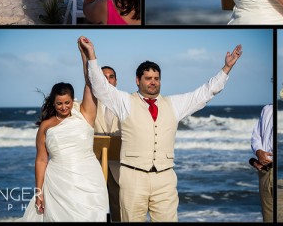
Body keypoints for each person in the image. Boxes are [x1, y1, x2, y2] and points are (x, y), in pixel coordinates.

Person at [80, 36, 242, 221]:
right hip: (133, 177)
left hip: (165, 178)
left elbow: (204, 93)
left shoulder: (174, 104)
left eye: (156, 78)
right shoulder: (125, 101)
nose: (153, 82)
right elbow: (100, 87)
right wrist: (91, 55)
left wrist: (227, 68)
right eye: (148, 78)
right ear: (137, 80)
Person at [21, 41, 108, 221]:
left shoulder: (84, 115)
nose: (64, 107)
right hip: (58, 183)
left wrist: (87, 55)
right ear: (53, 103)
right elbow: (41, 160)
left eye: (67, 103)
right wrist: (39, 192)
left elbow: (90, 83)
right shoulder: (46, 125)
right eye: (59, 103)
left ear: (72, 100)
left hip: (90, 178)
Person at [93, 65, 122, 221]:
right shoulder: (89, 103)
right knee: (96, 207)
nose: (108, 80)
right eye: (103, 77)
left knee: (118, 207)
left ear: (116, 81)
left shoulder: (126, 102)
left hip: (119, 165)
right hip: (95, 164)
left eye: (111, 77)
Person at [250, 104, 273, 222]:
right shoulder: (266, 109)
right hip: (265, 170)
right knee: (267, 214)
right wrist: (258, 151)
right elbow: (256, 135)